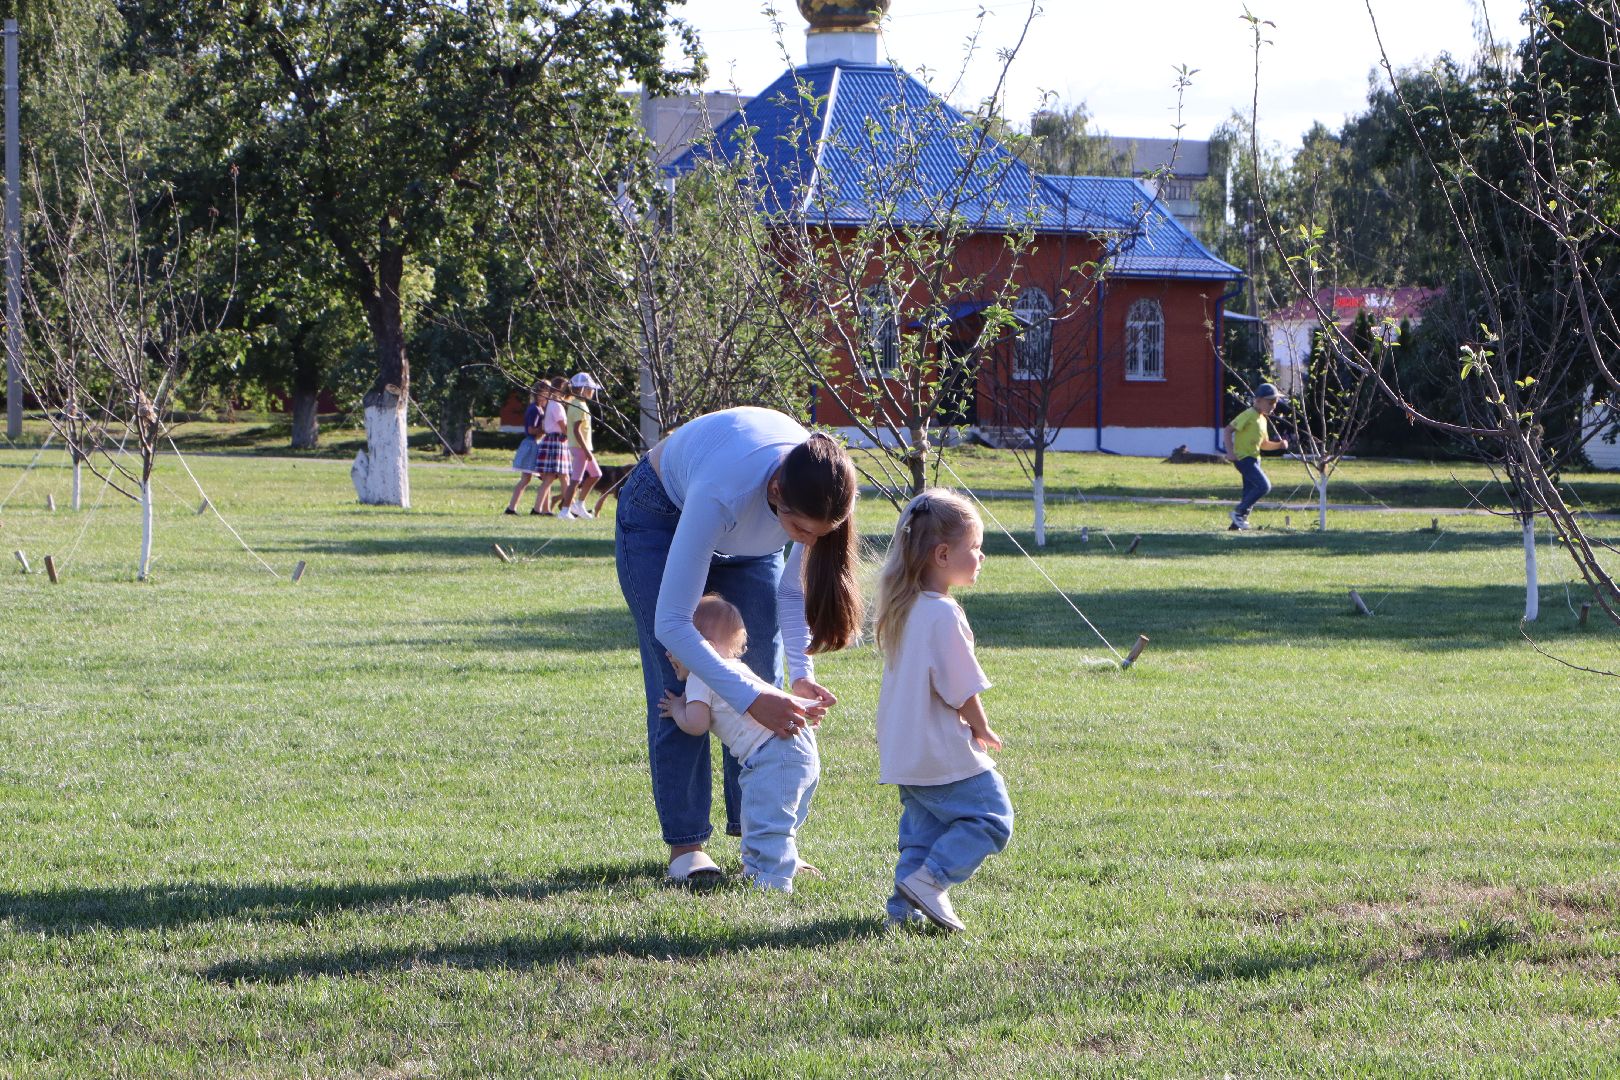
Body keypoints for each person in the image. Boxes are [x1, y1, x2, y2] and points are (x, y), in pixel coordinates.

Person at [614, 407, 861, 884]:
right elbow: (673, 624)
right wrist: (753, 698)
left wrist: (801, 672)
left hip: (750, 540)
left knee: (759, 673)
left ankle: (764, 843)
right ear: (775, 492)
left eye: (819, 535)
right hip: (661, 515)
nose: (811, 542)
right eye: (803, 531)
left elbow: (790, 591)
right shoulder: (725, 491)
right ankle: (687, 849)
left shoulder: (823, 488)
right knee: (681, 686)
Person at [873, 489, 1012, 932]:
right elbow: (959, 686)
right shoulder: (943, 614)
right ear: (942, 554)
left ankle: (903, 908)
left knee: (924, 831)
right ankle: (932, 882)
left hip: (903, 750)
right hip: (938, 748)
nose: (981, 556)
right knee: (992, 818)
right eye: (975, 548)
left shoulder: (903, 606)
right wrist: (981, 727)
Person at [658, 594, 820, 892]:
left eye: (678, 646)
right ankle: (762, 866)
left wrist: (678, 709)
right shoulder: (739, 669)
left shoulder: (702, 675)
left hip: (772, 754)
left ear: (701, 647)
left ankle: (773, 880)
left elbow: (696, 724)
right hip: (799, 747)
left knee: (765, 822)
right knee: (772, 817)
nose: (670, 653)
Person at [1223, 383, 1290, 531]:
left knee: (1249, 493)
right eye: (1270, 402)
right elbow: (1228, 430)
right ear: (1258, 400)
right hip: (1243, 458)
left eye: (1276, 402)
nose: (1273, 405)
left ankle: (1236, 526)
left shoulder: (1263, 419)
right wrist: (1230, 452)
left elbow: (1264, 444)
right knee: (1264, 486)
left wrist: (1279, 445)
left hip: (1254, 459)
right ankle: (1238, 512)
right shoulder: (1248, 415)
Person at [560, 372, 604, 519]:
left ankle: (579, 504)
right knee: (575, 480)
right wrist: (586, 450)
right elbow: (576, 429)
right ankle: (565, 510)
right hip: (580, 448)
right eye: (590, 388)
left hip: (581, 447)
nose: (592, 391)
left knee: (596, 474)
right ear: (583, 389)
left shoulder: (576, 403)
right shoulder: (579, 405)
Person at [504, 382, 548, 515]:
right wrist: (544, 429)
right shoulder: (535, 409)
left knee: (535, 478)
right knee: (535, 478)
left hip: (534, 443)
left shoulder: (538, 408)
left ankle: (543, 508)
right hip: (532, 444)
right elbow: (531, 429)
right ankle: (513, 508)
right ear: (540, 394)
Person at [534, 376, 574, 516]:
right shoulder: (556, 405)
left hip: (553, 440)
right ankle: (538, 509)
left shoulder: (551, 403)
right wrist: (573, 434)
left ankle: (569, 507)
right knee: (552, 477)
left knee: (562, 477)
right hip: (556, 441)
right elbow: (563, 427)